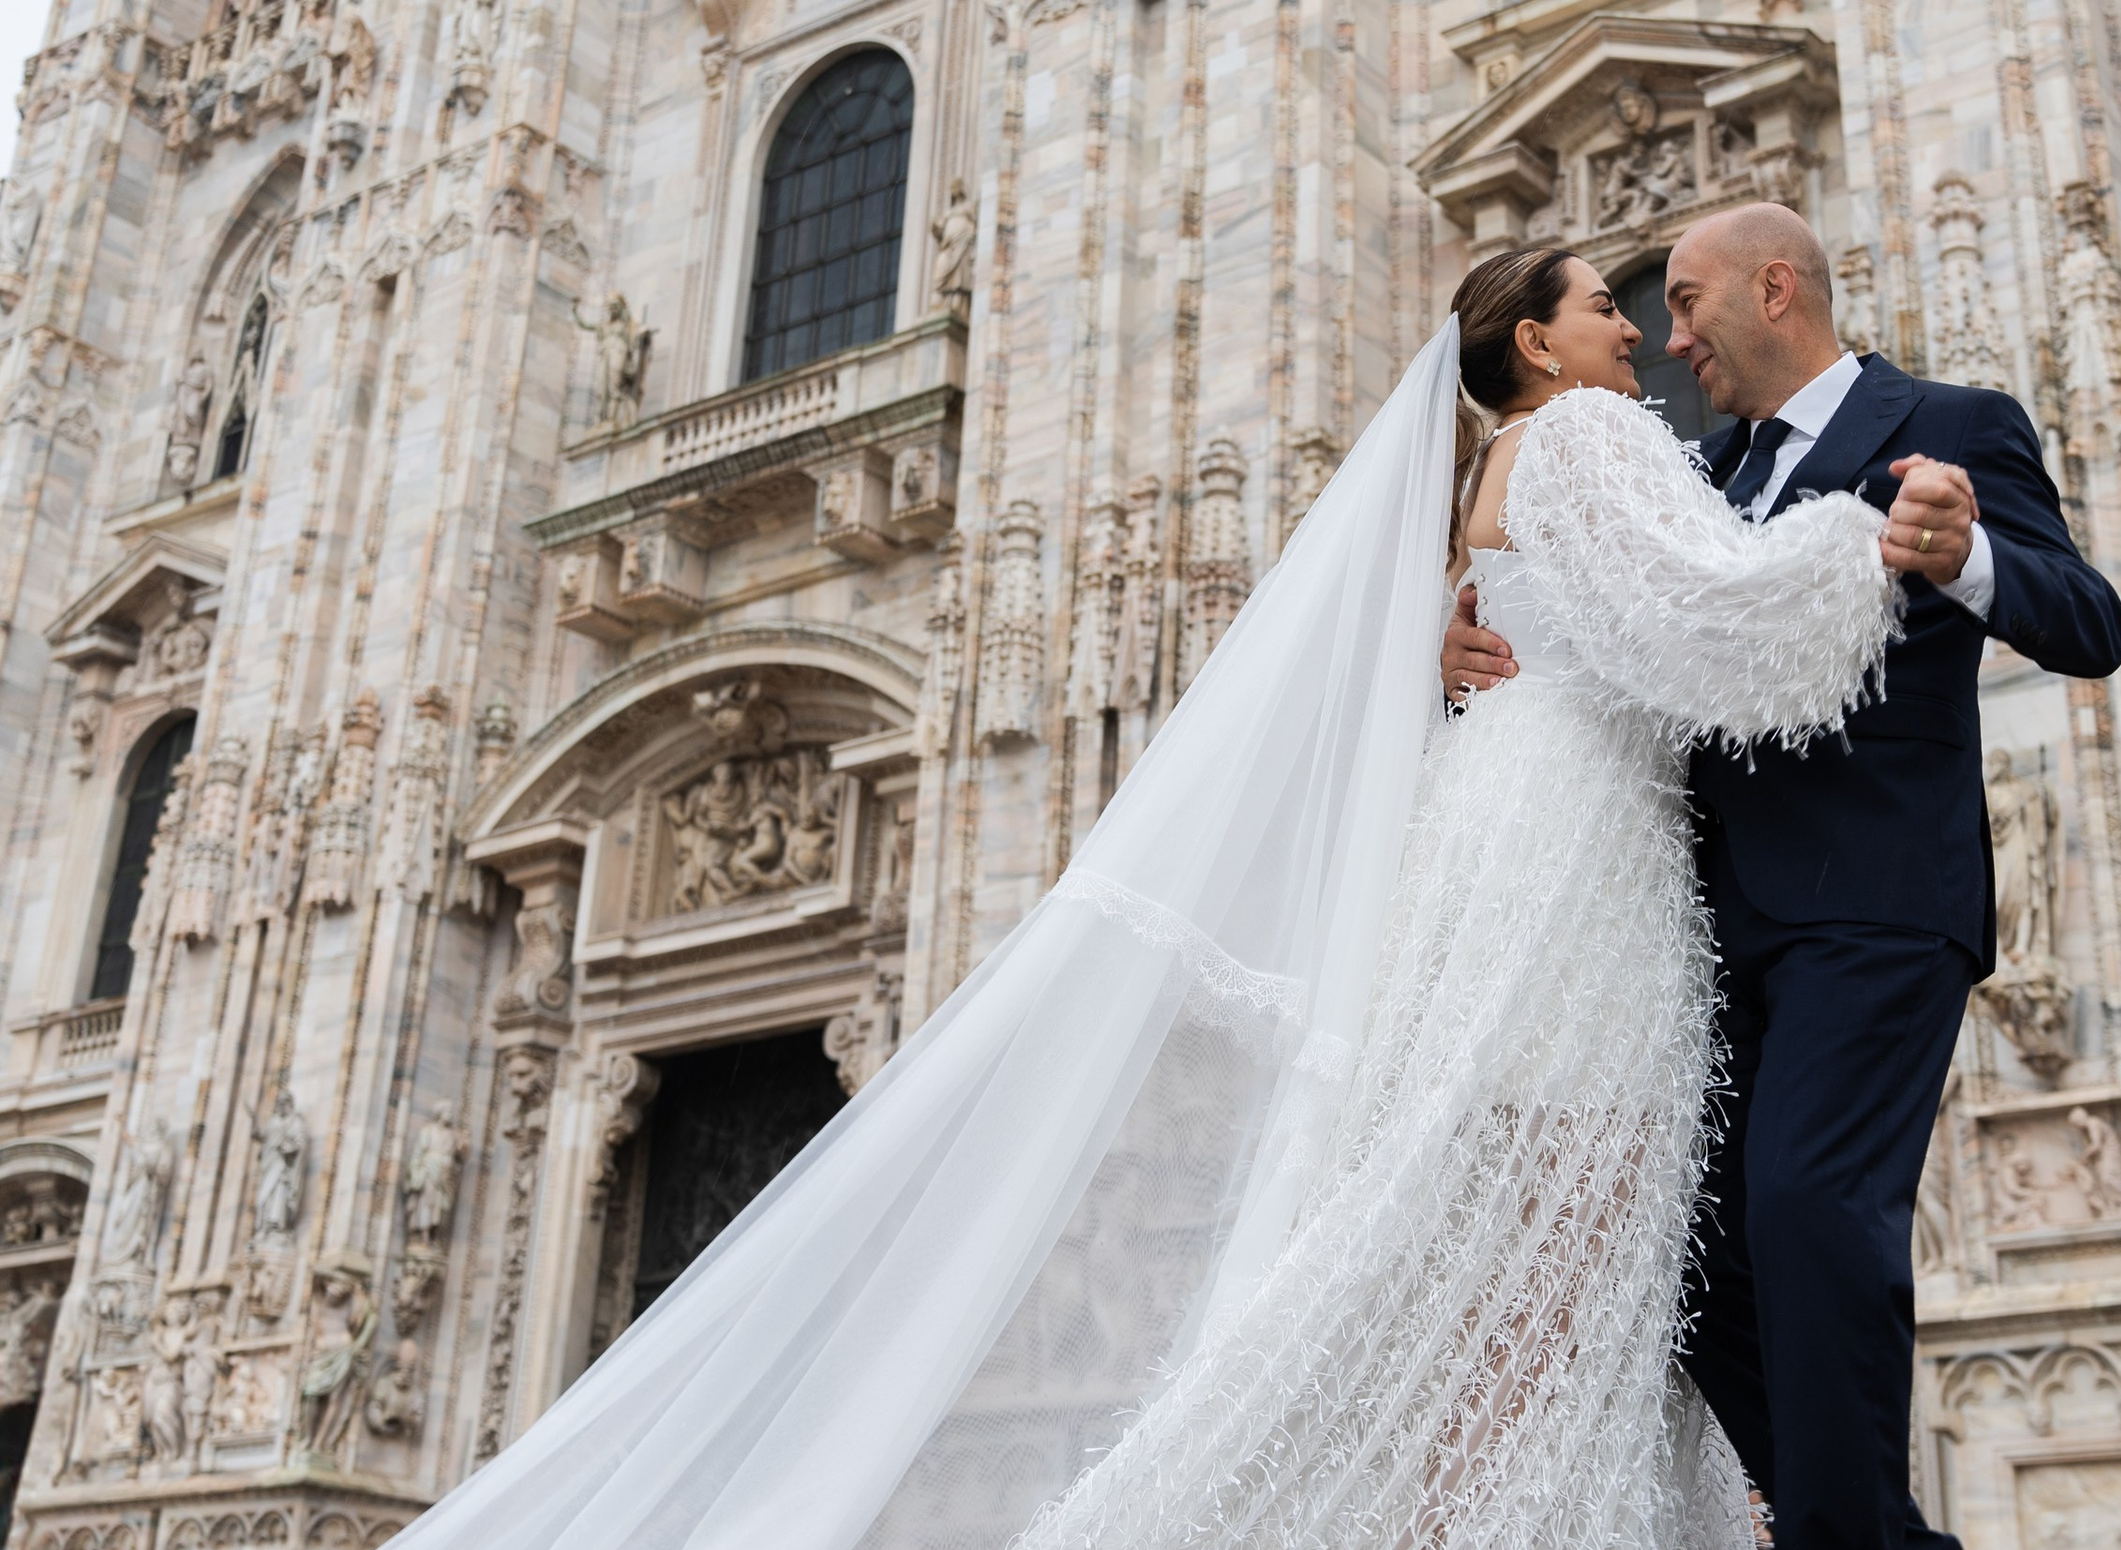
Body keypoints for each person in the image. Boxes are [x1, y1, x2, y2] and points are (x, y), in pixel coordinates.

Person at [393, 258, 1910, 1550]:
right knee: (1570, 1250)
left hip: (1494, 849)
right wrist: (1875, 540)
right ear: (1532, 342)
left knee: (1485, 1245)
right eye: (1608, 304)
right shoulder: (1587, 431)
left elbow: (1539, 633)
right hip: (1575, 866)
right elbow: (1719, 615)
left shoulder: (1482, 485)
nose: (1641, 330)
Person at [1443, 203, 2121, 1550]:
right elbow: (1609, 612)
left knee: (1812, 1200)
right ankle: (1860, 1526)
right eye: (1649, 306)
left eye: (1689, 303)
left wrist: (1963, 555)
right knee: (1688, 1252)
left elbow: (2090, 620)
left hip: (1871, 904)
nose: (1669, 332)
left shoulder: (1954, 423)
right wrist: (1461, 641)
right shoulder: (1683, 469)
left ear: (1778, 289)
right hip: (1689, 920)